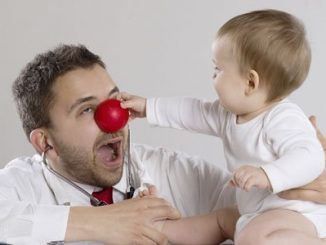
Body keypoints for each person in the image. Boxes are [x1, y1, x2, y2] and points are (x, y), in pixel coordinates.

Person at [1, 44, 325, 245]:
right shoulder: (20, 184)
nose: (113, 118)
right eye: (87, 110)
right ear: (45, 142)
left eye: (114, 101)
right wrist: (102, 223)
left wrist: (308, 185)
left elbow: (257, 212)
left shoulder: (172, 171)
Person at [119, 9, 326, 244]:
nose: (213, 77)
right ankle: (158, 230)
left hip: (295, 215)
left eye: (218, 70)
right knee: (220, 220)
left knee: (253, 237)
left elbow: (311, 157)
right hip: (256, 211)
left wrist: (266, 175)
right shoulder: (229, 115)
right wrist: (148, 107)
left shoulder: (282, 118)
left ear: (250, 82)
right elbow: (192, 111)